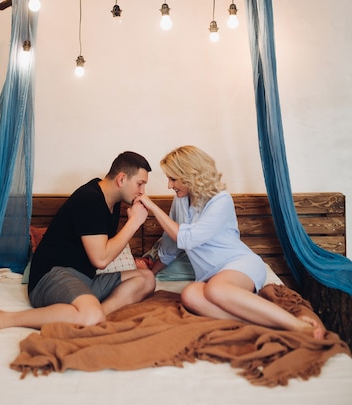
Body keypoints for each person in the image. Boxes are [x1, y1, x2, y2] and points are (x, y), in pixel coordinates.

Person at [138, 145, 325, 338]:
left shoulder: (220, 200)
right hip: (209, 275)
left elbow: (188, 239)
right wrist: (153, 272)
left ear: (190, 175)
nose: (169, 185)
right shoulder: (180, 200)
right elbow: (171, 242)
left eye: (173, 179)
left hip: (238, 264)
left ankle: (296, 325)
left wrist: (152, 207)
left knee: (216, 289)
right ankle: (268, 325)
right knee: (190, 295)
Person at [0, 151, 155, 335]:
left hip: (84, 279)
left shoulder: (112, 204)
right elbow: (101, 259)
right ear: (121, 179)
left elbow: (101, 254)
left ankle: (96, 313)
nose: (142, 191)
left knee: (146, 278)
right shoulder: (90, 200)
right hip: (52, 276)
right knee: (90, 314)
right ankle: (5, 318)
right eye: (140, 184)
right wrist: (134, 223)